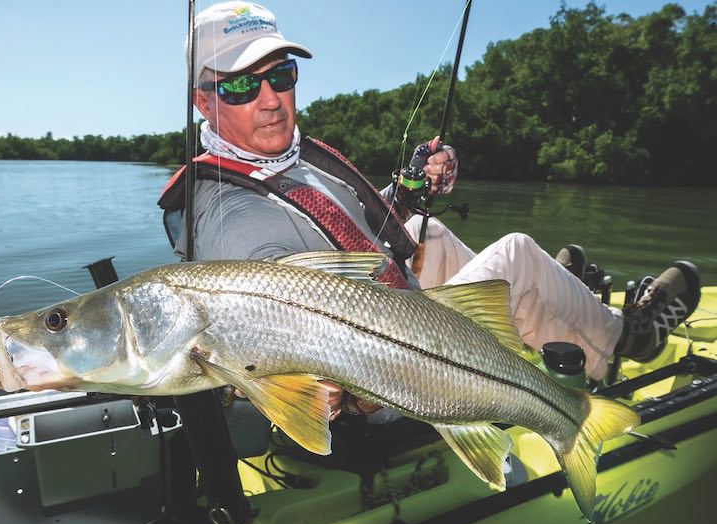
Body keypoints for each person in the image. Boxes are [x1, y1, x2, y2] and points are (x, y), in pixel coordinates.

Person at [159, 1, 701, 418]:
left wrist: (408, 191)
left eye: (280, 76)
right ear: (202, 102)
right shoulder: (232, 215)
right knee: (517, 255)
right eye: (238, 85)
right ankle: (623, 338)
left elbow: (350, 238)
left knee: (429, 232)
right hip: (398, 362)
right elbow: (269, 308)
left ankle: (554, 294)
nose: (271, 98)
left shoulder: (276, 158)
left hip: (381, 301)